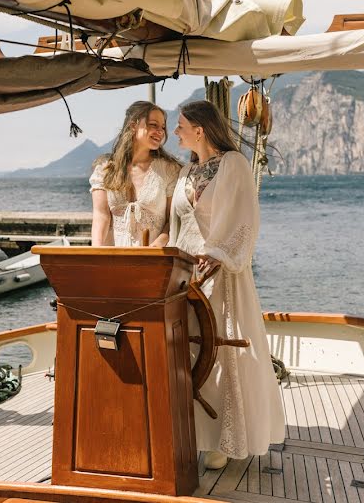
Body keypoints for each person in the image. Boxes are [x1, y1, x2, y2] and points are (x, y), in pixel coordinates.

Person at [168, 99, 284, 470]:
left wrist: (217, 254)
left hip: (221, 274)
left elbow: (245, 219)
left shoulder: (233, 165)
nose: (175, 133)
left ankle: (222, 438)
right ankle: (193, 434)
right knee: (187, 354)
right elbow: (178, 225)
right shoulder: (188, 171)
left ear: (200, 130)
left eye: (181, 126)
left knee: (220, 353)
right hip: (185, 275)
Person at [90, 101, 181, 247]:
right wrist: (96, 253)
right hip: (113, 260)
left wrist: (156, 248)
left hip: (155, 259)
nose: (160, 131)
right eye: (153, 125)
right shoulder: (105, 168)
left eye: (163, 127)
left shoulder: (169, 170)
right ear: (133, 126)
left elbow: (173, 219)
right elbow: (101, 216)